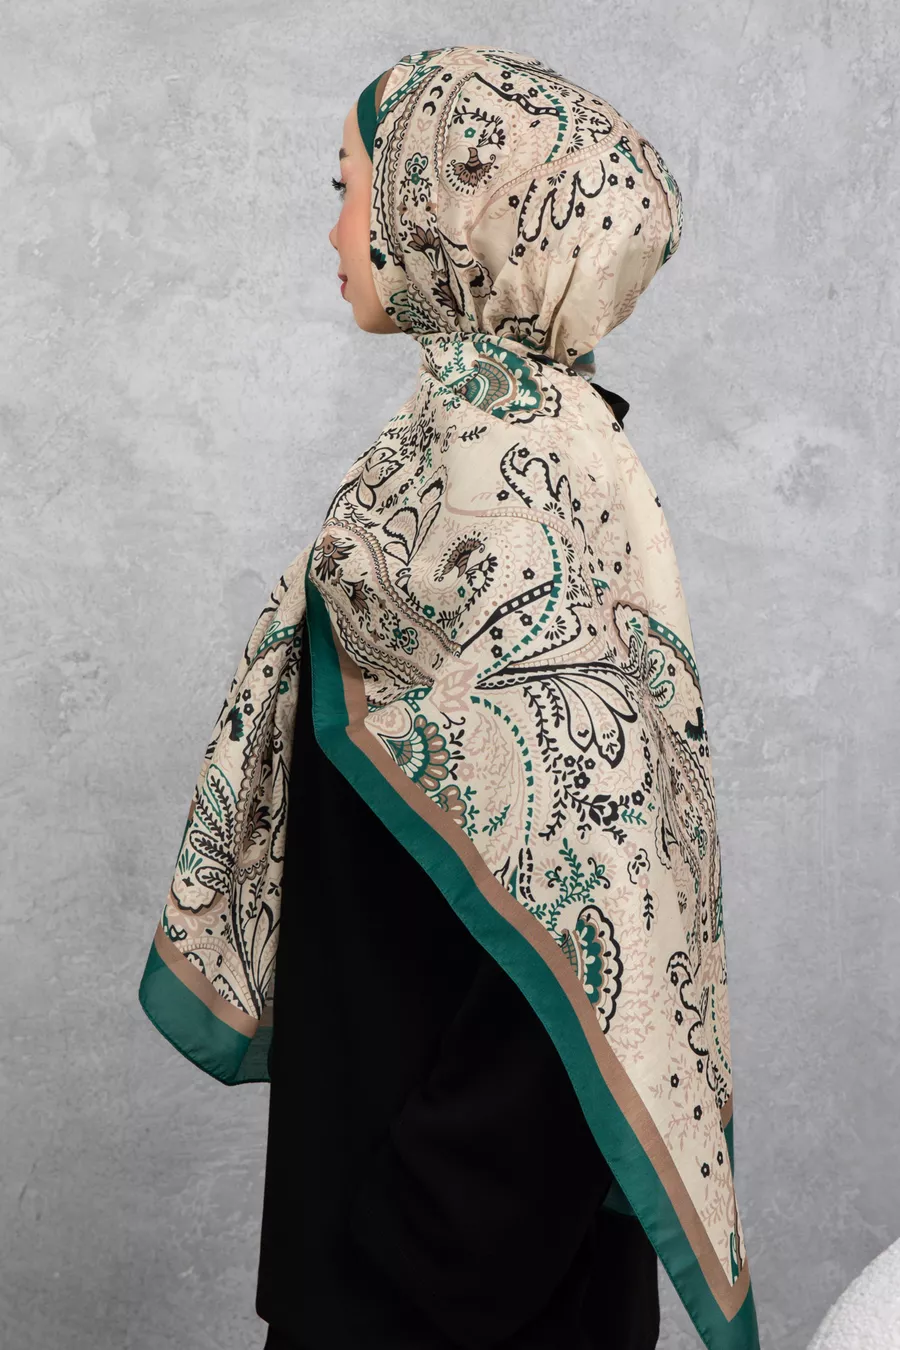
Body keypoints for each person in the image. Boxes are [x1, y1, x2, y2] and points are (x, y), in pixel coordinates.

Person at [139, 46, 759, 1350]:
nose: (334, 228)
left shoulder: (521, 504)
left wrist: (417, 1250)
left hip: (460, 1288)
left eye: (349, 188)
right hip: (388, 1237)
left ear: (444, 206)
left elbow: (595, 904)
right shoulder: (442, 469)